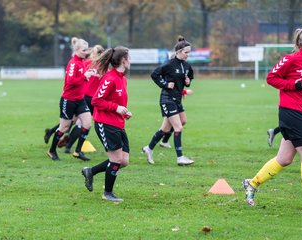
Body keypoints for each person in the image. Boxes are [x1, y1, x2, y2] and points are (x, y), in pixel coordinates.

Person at [243, 28, 302, 206]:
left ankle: (252, 183)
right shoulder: (291, 59)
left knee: (285, 159)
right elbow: (271, 78)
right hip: (292, 112)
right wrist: (293, 84)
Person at [81, 46, 131, 202]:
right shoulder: (110, 78)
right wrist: (117, 108)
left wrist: (123, 111)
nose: (130, 61)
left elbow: (116, 101)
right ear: (124, 60)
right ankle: (107, 193)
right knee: (116, 160)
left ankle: (90, 171)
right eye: (129, 58)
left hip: (118, 123)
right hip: (105, 123)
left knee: (124, 161)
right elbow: (96, 101)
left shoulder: (122, 78)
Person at [142, 36, 195, 166]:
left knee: (175, 124)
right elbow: (154, 75)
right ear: (178, 52)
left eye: (189, 52)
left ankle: (148, 148)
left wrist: (187, 82)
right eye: (186, 52)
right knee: (178, 127)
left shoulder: (187, 66)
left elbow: (188, 79)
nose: (188, 54)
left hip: (177, 99)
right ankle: (180, 158)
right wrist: (165, 84)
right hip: (167, 99)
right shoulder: (169, 64)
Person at [46, 37, 92, 161]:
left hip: (80, 100)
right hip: (69, 100)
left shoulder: (82, 61)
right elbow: (71, 82)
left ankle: (77, 151)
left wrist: (90, 75)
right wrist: (84, 76)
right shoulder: (73, 63)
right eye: (84, 50)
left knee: (87, 124)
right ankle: (52, 150)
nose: (87, 52)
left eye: (87, 49)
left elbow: (81, 79)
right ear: (77, 50)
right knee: (64, 128)